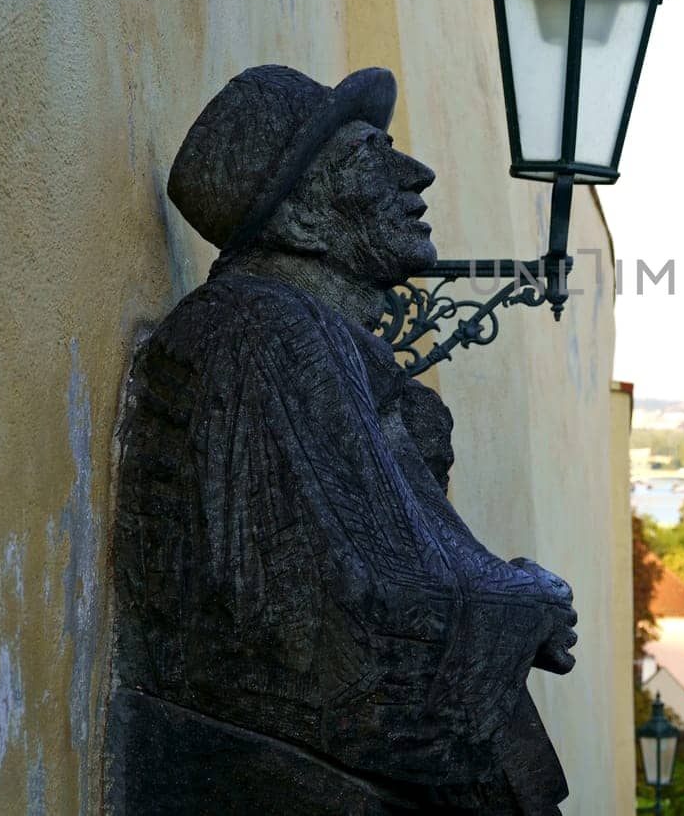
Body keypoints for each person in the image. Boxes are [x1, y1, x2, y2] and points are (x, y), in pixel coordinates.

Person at [109, 65, 575, 814]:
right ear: (301, 219)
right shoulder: (267, 332)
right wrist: (526, 601)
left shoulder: (309, 339)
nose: (415, 174)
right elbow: (354, 630)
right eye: (370, 155)